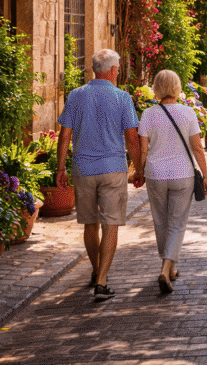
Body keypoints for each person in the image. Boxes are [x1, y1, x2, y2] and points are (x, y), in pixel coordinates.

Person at [56, 49, 141, 301]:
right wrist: (139, 169)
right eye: (118, 69)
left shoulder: (76, 96)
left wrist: (60, 168)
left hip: (83, 169)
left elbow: (65, 135)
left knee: (90, 223)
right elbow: (132, 137)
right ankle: (102, 280)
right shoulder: (122, 98)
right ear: (114, 70)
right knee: (110, 224)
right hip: (113, 169)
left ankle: (95, 270)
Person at [137, 70, 207, 294]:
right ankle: (166, 268)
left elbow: (143, 150)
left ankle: (168, 267)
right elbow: (197, 147)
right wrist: (206, 175)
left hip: (156, 174)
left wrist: (140, 172)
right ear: (178, 87)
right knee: (177, 223)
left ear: (157, 88)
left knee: (160, 221)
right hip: (182, 174)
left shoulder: (148, 114)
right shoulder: (187, 112)